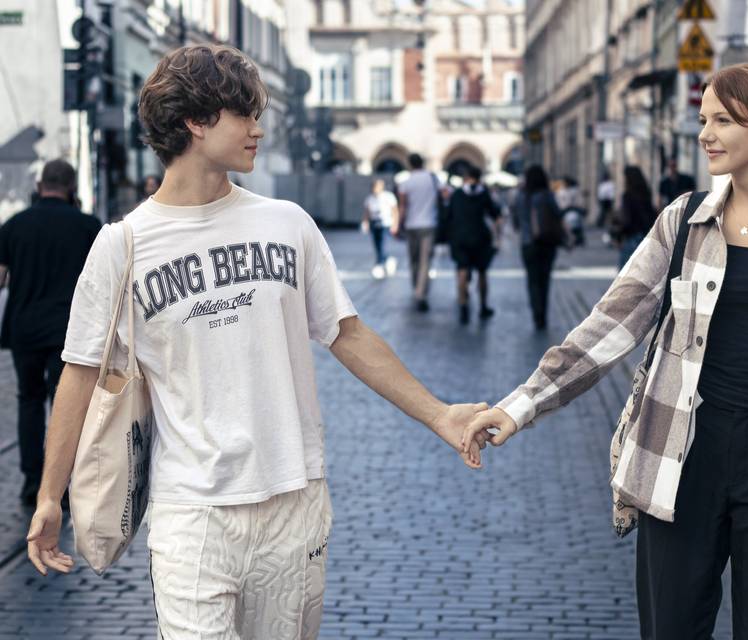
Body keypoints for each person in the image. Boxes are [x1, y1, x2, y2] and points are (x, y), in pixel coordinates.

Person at [24, 45, 488, 639]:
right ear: (195, 121)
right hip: (191, 512)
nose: (258, 129)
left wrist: (441, 416)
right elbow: (80, 372)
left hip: (294, 502)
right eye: (243, 114)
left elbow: (347, 334)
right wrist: (49, 497)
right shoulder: (124, 245)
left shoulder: (287, 223)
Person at [463, 62, 748, 640]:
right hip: (682, 450)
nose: (704, 134)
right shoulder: (685, 221)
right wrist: (520, 406)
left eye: (722, 120)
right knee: (671, 628)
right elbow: (607, 326)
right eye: (702, 119)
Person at [0, 159, 101, 508]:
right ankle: (65, 484)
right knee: (68, 407)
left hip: (24, 330)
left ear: (40, 186)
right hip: (69, 333)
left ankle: (32, 481)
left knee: (29, 402)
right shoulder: (88, 227)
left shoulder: (13, 226)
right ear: (71, 188)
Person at [447, 165, 501, 324]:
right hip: (480, 238)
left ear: (466, 178)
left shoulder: (456, 194)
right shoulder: (483, 193)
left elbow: (449, 216)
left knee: (462, 272)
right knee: (482, 272)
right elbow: (494, 214)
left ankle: (463, 306)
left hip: (460, 238)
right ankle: (483, 306)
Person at [512, 165, 564, 331]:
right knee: (545, 279)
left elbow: (515, 222)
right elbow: (558, 214)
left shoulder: (521, 196)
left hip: (527, 244)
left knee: (532, 280)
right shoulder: (547, 195)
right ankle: (543, 316)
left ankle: (536, 315)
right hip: (547, 243)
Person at [394, 153, 440, 312]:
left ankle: (416, 289)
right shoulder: (433, 179)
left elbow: (402, 207)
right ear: (422, 163)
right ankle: (421, 293)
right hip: (429, 224)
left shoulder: (405, 183)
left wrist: (397, 225)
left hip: (411, 226)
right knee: (425, 261)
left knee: (413, 260)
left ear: (409, 164)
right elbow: (444, 195)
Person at [611, 165, 657, 269]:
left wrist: (618, 235)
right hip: (646, 237)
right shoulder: (646, 194)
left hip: (632, 238)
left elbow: (627, 221)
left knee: (625, 276)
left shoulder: (628, 196)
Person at [361, 178, 398, 279]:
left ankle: (379, 264)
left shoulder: (389, 197)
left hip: (386, 223)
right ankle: (387, 259)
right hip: (374, 223)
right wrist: (365, 223)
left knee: (382, 243)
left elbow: (395, 211)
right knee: (376, 244)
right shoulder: (369, 198)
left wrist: (395, 224)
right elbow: (367, 212)